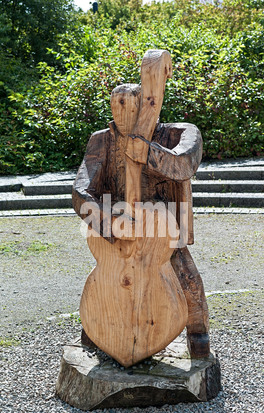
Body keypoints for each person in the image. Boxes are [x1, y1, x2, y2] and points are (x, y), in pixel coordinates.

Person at [73, 83, 210, 359]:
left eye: (128, 107)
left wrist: (149, 152)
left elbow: (185, 163)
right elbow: (81, 190)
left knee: (187, 278)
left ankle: (198, 332)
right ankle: (97, 331)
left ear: (148, 105)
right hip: (117, 227)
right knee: (109, 281)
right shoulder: (101, 140)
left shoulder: (177, 133)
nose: (120, 114)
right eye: (116, 106)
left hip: (163, 231)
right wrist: (108, 222)